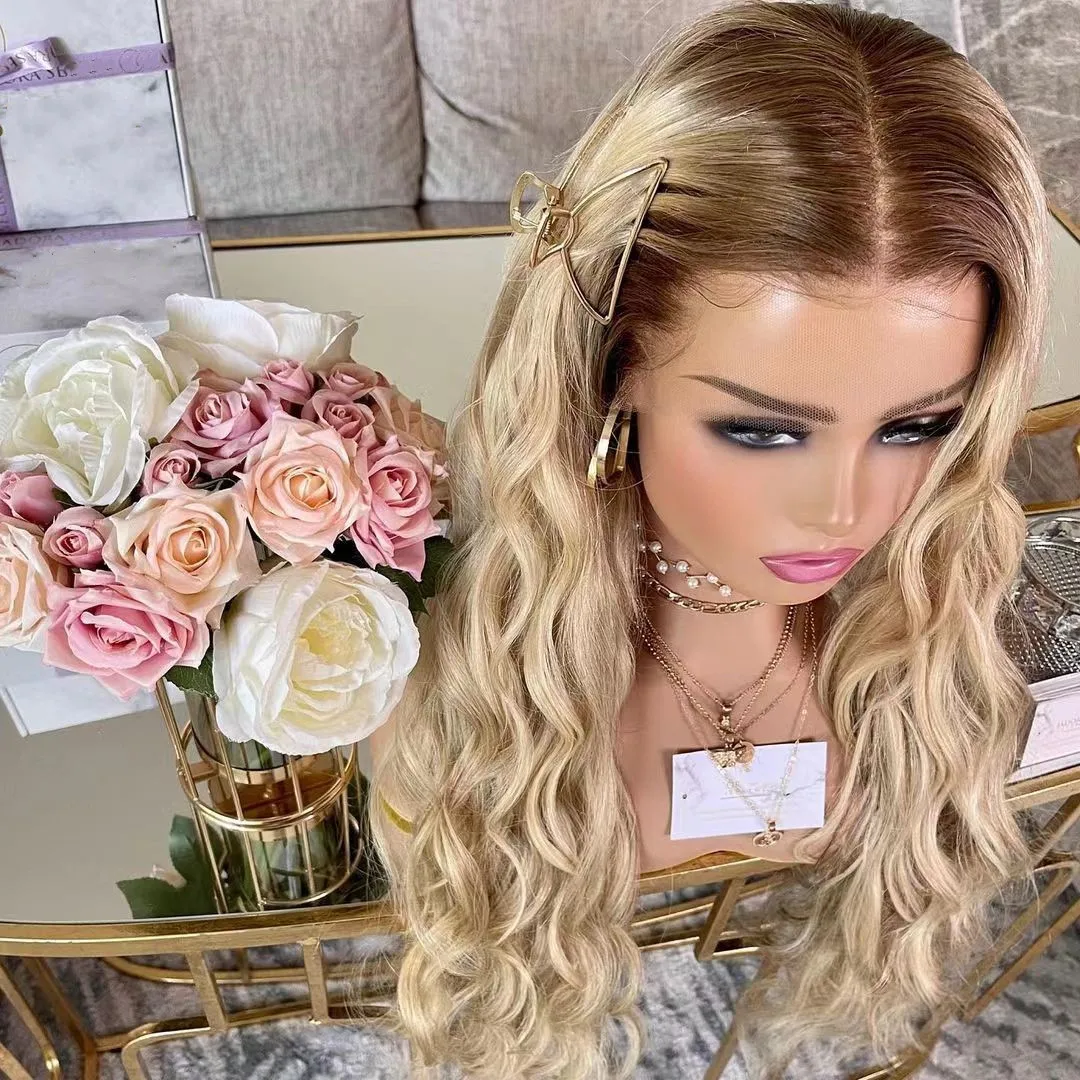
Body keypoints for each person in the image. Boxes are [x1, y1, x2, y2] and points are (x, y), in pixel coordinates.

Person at [367, 2, 1051, 1077]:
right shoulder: (469, 699)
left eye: (916, 426)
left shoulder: (921, 658)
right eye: (761, 430)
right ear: (615, 365)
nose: (844, 510)